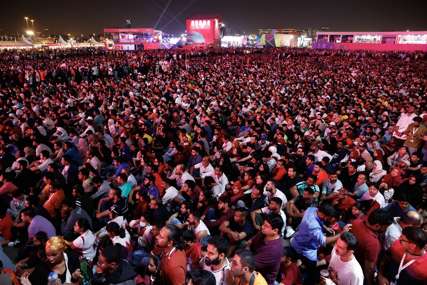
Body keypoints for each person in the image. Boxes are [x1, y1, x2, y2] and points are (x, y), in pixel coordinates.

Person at [290, 203, 351, 285]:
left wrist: (325, 228)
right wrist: (341, 233)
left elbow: (318, 222)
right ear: (322, 214)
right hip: (306, 250)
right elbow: (324, 241)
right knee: (312, 272)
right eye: (327, 217)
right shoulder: (314, 227)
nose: (327, 219)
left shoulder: (311, 209)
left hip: (297, 240)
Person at [250, 214, 284, 285]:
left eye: (266, 226)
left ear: (275, 231)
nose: (262, 227)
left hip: (261, 280)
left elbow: (250, 264)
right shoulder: (264, 233)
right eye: (263, 224)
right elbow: (250, 243)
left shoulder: (273, 250)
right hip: (252, 262)